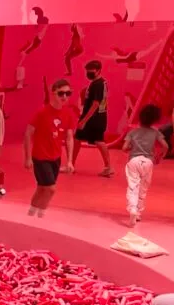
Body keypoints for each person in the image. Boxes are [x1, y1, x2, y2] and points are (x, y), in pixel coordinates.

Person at [24, 79, 77, 217]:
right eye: (61, 93)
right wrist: (28, 157)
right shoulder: (42, 112)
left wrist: (70, 160)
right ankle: (41, 215)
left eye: (68, 93)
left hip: (56, 157)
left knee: (42, 188)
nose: (64, 97)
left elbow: (69, 137)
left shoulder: (69, 114)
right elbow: (28, 133)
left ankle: (30, 215)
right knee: (51, 189)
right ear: (53, 93)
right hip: (41, 157)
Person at [123, 105, 168, 227]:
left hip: (133, 161)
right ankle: (138, 212)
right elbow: (165, 146)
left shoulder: (132, 132)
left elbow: (124, 148)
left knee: (133, 186)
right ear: (155, 119)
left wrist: (132, 148)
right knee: (143, 188)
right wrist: (159, 157)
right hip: (148, 162)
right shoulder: (155, 133)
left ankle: (132, 208)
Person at [73, 60, 113, 177]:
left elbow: (95, 104)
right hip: (97, 117)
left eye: (91, 70)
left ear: (99, 70)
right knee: (80, 139)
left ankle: (108, 167)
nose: (89, 72)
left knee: (98, 141)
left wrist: (84, 120)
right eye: (87, 70)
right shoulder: (100, 83)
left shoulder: (98, 84)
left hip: (93, 118)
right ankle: (72, 164)